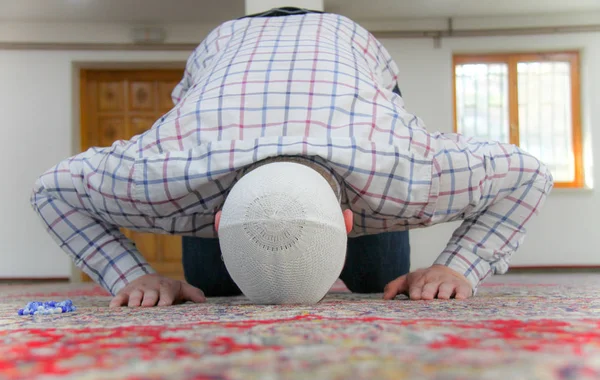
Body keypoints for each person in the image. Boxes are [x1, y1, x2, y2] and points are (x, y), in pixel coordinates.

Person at [30, 8, 553, 307]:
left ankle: (342, 276)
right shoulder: (168, 170)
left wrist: (455, 268)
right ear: (214, 219)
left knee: (376, 289)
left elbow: (529, 176)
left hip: (353, 60)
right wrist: (132, 277)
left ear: (351, 221)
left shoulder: (403, 168)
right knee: (211, 291)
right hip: (221, 71)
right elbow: (52, 190)